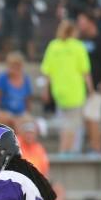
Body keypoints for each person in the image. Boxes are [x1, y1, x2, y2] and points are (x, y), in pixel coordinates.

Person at [41, 19, 91, 153]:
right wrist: (90, 90)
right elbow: (85, 71)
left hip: (59, 91)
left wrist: (46, 90)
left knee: (64, 124)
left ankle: (65, 150)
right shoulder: (78, 46)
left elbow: (47, 72)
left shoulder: (53, 46)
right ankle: (68, 151)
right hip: (75, 91)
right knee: (73, 125)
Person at [78, 11, 101, 153]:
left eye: (82, 21)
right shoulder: (80, 40)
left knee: (92, 118)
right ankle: (94, 146)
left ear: (91, 22)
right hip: (82, 88)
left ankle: (97, 149)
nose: (79, 24)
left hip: (97, 86)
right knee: (87, 119)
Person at [0, 51, 32, 125]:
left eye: (17, 65)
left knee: (31, 125)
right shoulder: (3, 78)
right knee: (12, 121)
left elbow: (27, 102)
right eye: (12, 65)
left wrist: (26, 115)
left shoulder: (26, 79)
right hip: (5, 112)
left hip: (21, 113)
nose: (15, 68)